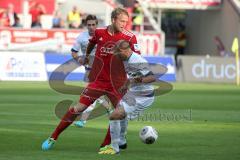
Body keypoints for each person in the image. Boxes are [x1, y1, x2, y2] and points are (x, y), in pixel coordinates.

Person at [41, 7, 140, 151]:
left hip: (117, 83)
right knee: (78, 108)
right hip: (98, 80)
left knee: (118, 113)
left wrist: (132, 76)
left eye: (126, 21)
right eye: (121, 21)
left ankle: (106, 144)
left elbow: (137, 58)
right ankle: (53, 137)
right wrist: (87, 56)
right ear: (113, 20)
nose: (124, 24)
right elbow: (92, 43)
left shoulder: (130, 37)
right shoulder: (100, 33)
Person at [98, 40, 155, 154]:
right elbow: (131, 76)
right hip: (133, 93)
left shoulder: (138, 61)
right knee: (121, 114)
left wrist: (141, 80)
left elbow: (152, 77)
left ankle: (114, 148)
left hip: (143, 96)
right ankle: (122, 142)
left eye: (117, 53)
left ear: (125, 50)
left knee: (114, 115)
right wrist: (126, 85)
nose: (116, 55)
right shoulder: (124, 59)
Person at [71, 14, 112, 128]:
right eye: (89, 25)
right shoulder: (81, 38)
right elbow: (74, 52)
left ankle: (83, 120)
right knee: (96, 95)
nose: (91, 27)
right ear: (86, 25)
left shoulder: (103, 35)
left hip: (102, 69)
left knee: (91, 93)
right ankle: (110, 108)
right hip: (89, 69)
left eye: (93, 24)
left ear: (97, 25)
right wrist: (79, 59)